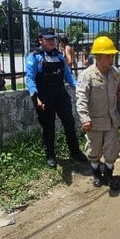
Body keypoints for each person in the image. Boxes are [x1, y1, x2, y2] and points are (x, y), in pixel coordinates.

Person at [25, 28, 88, 168]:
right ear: (40, 40)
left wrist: (79, 88)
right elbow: (29, 79)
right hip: (44, 95)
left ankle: (75, 151)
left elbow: (68, 75)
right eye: (48, 39)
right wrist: (36, 98)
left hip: (60, 93)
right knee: (49, 127)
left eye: (53, 38)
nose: (52, 41)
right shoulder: (34, 57)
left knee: (69, 122)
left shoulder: (59, 56)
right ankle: (50, 155)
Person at [75, 35, 120, 190]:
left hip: (112, 120)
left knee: (112, 149)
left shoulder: (114, 72)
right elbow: (81, 98)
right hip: (94, 122)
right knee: (94, 150)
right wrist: (85, 118)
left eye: (112, 55)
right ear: (99, 56)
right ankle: (96, 173)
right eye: (109, 55)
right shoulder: (87, 75)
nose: (112, 58)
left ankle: (109, 175)